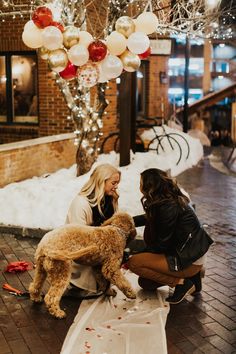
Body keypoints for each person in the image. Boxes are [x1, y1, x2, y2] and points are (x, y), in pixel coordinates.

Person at [128, 168, 213, 304]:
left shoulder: (168, 207)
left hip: (187, 259)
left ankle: (181, 283)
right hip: (191, 254)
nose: (140, 187)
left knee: (134, 263)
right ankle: (194, 279)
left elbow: (161, 245)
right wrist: (128, 222)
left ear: (150, 187)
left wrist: (135, 255)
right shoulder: (167, 200)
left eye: (141, 183)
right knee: (145, 283)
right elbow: (149, 218)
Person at [65, 163, 121, 297]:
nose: (116, 186)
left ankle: (102, 283)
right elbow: (78, 236)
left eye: (117, 183)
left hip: (99, 245)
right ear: (102, 181)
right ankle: (78, 285)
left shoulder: (110, 199)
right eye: (113, 183)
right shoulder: (80, 203)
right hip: (81, 248)